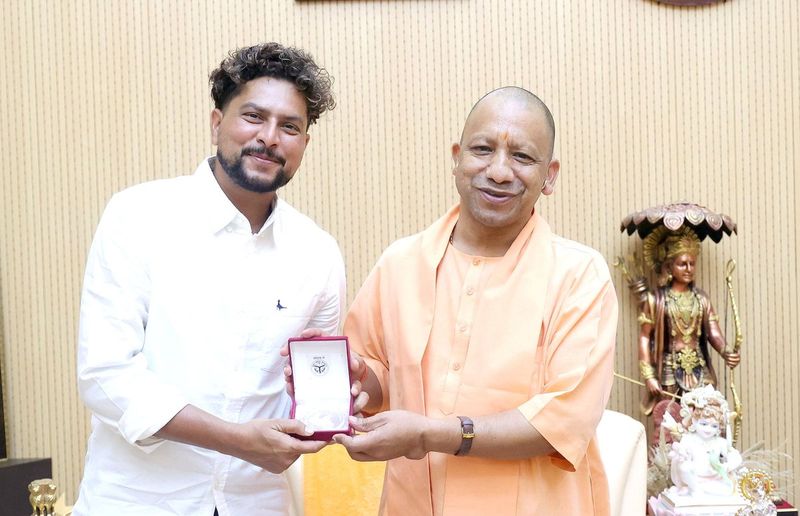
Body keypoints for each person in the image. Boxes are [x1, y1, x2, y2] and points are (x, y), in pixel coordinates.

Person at [74, 43, 356, 516]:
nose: (269, 137)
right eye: (253, 116)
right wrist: (236, 441)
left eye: (290, 126)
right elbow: (104, 377)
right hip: (137, 502)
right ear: (215, 123)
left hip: (259, 504)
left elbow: (313, 395)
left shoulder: (318, 253)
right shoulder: (137, 216)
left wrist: (341, 394)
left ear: (304, 144)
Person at [333, 87, 618, 515]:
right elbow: (379, 378)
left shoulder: (579, 274)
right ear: (457, 157)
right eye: (483, 149)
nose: (499, 171)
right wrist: (358, 380)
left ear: (550, 175)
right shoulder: (400, 263)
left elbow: (563, 420)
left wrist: (430, 434)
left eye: (522, 157)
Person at [636, 226, 740, 438]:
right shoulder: (655, 300)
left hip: (699, 366)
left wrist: (726, 350)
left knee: (708, 412)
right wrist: (649, 375)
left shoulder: (701, 298)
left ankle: (709, 457)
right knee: (670, 418)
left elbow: (713, 332)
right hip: (669, 367)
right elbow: (645, 337)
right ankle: (667, 463)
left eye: (692, 263)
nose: (688, 268)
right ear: (669, 266)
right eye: (682, 263)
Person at [666, 385, 742, 497]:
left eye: (714, 426)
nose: (708, 429)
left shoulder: (720, 442)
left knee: (726, 491)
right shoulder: (688, 439)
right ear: (694, 421)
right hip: (694, 478)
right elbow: (679, 454)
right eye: (704, 424)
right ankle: (694, 489)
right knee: (685, 467)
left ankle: (696, 490)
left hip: (714, 479)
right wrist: (681, 456)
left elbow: (732, 455)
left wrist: (728, 464)